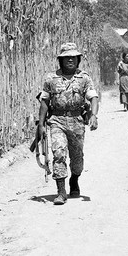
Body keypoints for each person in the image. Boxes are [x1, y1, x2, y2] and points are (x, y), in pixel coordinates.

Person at [37, 42, 99, 205]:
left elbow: (93, 97)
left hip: (77, 121)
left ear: (77, 60)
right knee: (59, 153)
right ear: (61, 60)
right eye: (66, 58)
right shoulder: (51, 78)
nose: (70, 60)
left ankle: (74, 180)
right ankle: (61, 192)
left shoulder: (84, 78)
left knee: (77, 158)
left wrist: (93, 115)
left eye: (73, 58)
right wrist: (41, 124)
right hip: (57, 121)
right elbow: (44, 101)